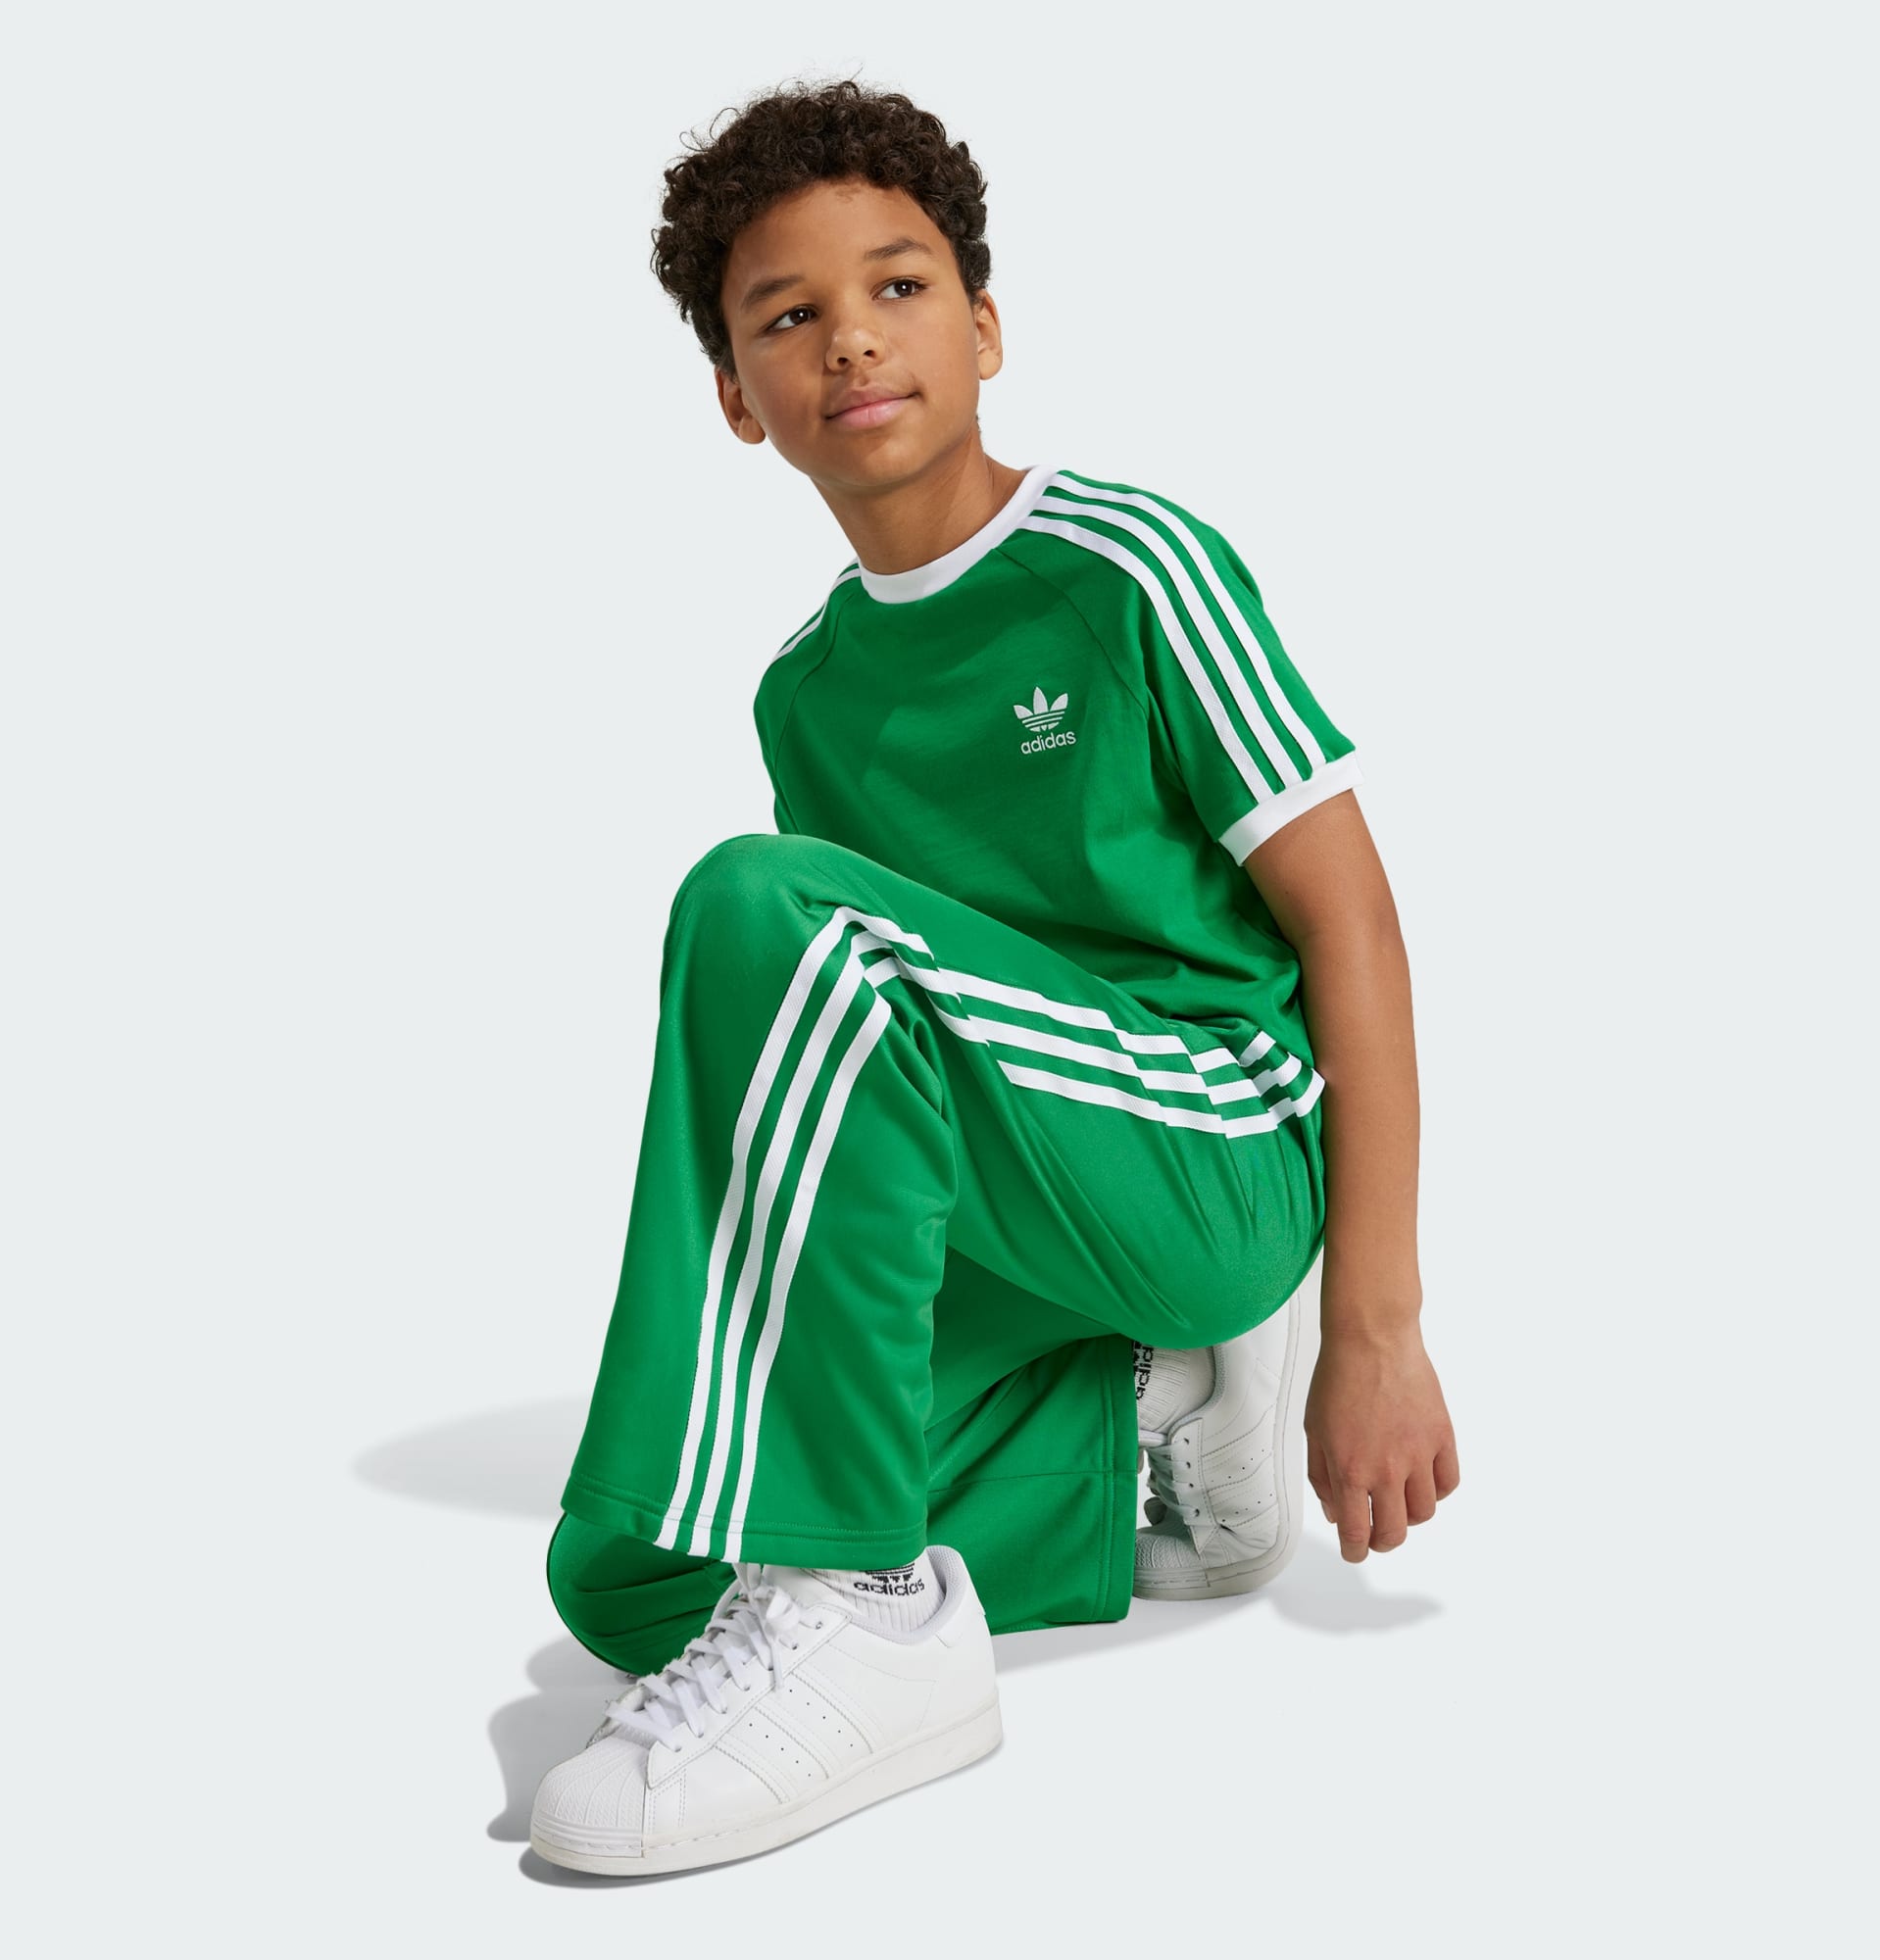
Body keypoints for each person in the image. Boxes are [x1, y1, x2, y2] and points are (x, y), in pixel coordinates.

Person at [529, 76, 1459, 1878]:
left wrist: (1377, 1326)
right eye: (787, 316)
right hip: (1024, 1201)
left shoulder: (1126, 568)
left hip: (1210, 1146)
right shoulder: (806, 694)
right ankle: (1152, 1435)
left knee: (761, 910)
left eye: (898, 287)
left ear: (986, 327)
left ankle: (876, 1612)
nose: (850, 339)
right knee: (635, 1563)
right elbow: (863, 1078)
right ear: (737, 397)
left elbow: (1354, 923)